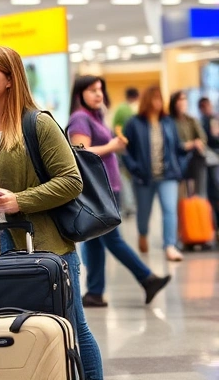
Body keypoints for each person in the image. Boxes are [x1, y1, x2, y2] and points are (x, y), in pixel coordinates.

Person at [0, 45, 103, 380]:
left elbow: (71, 181)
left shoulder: (38, 124)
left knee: (70, 327)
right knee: (3, 333)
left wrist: (19, 201)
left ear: (10, 79)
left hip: (41, 245)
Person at [66, 76, 170, 308]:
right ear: (79, 94)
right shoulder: (80, 118)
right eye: (92, 90)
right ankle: (147, 278)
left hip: (107, 187)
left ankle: (95, 292)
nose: (99, 94)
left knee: (95, 241)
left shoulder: (95, 116)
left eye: (100, 89)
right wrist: (112, 146)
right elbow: (80, 152)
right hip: (97, 190)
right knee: (113, 239)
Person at [122, 86, 191, 261]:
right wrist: (134, 168)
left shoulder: (168, 122)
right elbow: (125, 150)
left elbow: (177, 147)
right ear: (147, 100)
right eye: (155, 98)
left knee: (169, 210)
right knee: (144, 213)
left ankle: (170, 246)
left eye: (160, 98)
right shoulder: (134, 123)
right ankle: (142, 233)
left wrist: (179, 165)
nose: (158, 102)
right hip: (144, 177)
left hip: (168, 175)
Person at [170, 91, 208, 200]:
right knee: (181, 197)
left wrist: (197, 143)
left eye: (184, 99)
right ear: (174, 103)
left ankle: (200, 200)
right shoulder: (169, 122)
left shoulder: (192, 120)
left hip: (193, 158)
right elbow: (173, 144)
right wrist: (190, 144)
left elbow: (203, 138)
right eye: (179, 100)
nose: (182, 102)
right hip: (176, 160)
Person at [113, 87, 141, 217]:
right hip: (129, 148)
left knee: (125, 177)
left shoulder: (120, 109)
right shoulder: (132, 109)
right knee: (127, 177)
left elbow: (115, 127)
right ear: (136, 97)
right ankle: (131, 205)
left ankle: (129, 205)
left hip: (123, 147)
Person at [199, 97, 219, 234]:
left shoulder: (213, 119)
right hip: (211, 162)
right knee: (214, 194)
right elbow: (212, 138)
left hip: (213, 161)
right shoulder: (204, 121)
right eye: (205, 106)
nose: (208, 108)